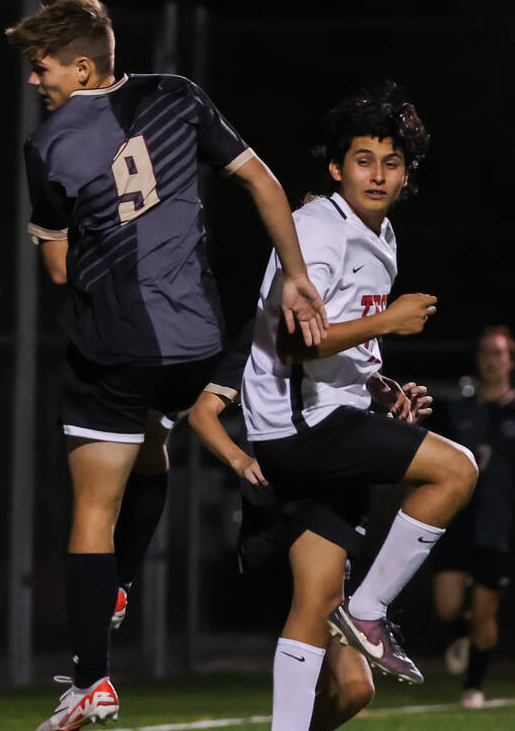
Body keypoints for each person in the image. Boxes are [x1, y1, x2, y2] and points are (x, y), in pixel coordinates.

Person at [3, 0, 328, 730]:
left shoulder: (49, 144)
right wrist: (297, 273)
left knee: (93, 508)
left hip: (113, 346)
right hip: (195, 344)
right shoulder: (178, 96)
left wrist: (87, 245)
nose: (34, 80)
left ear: (82, 68)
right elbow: (262, 182)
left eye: (41, 66)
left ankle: (93, 679)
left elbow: (55, 268)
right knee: (152, 447)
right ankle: (117, 588)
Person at [238, 82, 477, 731]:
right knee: (456, 472)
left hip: (322, 418)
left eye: (391, 161)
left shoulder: (383, 236)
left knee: (335, 652)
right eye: (363, 158)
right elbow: (294, 342)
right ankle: (370, 610)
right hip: (299, 425)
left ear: (408, 174)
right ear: (336, 167)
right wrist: (390, 325)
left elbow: (341, 342)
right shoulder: (319, 228)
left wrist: (380, 388)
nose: (377, 173)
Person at [189, 315, 433, 730]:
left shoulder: (347, 332)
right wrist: (240, 459)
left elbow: (341, 420)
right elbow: (202, 413)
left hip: (335, 494)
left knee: (356, 688)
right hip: (294, 500)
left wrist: (392, 422)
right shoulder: (268, 329)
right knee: (312, 609)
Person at [428, 324, 515, 709]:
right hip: (458, 518)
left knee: (485, 610)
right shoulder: (459, 409)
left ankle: (474, 686)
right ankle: (462, 635)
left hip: (499, 525)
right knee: (447, 607)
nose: (492, 360)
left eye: (499, 353)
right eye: (485, 353)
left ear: (510, 359)